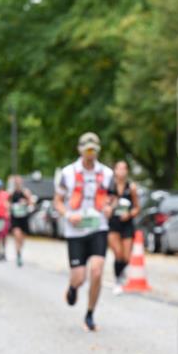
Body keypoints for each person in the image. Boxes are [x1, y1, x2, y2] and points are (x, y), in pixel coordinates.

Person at [54, 132, 114, 332]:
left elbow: (112, 197)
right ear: (80, 150)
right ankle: (73, 287)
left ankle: (89, 313)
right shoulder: (68, 172)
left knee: (97, 271)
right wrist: (67, 215)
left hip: (98, 227)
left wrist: (109, 208)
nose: (90, 153)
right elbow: (58, 201)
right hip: (76, 230)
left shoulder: (107, 173)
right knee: (79, 278)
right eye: (87, 149)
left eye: (93, 149)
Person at [105, 160, 141, 294]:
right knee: (118, 254)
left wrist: (129, 214)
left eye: (124, 168)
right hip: (113, 223)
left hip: (126, 223)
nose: (121, 171)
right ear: (114, 170)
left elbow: (137, 208)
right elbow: (102, 204)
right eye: (118, 168)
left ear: (127, 171)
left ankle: (121, 273)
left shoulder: (131, 187)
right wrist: (107, 208)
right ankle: (117, 281)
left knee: (126, 257)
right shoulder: (109, 186)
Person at [8, 174, 34, 267]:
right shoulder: (11, 193)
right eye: (16, 182)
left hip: (23, 217)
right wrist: (10, 206)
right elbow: (7, 202)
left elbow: (31, 202)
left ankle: (20, 251)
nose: (18, 183)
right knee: (17, 235)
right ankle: (18, 254)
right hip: (15, 218)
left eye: (19, 181)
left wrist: (26, 202)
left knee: (22, 238)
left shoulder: (25, 192)